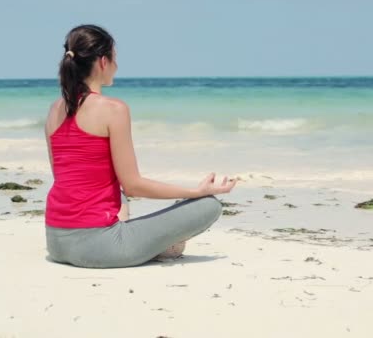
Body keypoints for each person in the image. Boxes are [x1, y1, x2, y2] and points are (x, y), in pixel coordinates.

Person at [44, 24, 236, 268]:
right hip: (98, 248)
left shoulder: (54, 110)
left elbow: (65, 180)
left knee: (118, 196)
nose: (117, 66)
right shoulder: (113, 109)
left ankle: (147, 241)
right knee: (209, 206)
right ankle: (159, 246)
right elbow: (134, 185)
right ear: (103, 61)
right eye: (115, 58)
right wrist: (196, 192)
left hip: (56, 242)